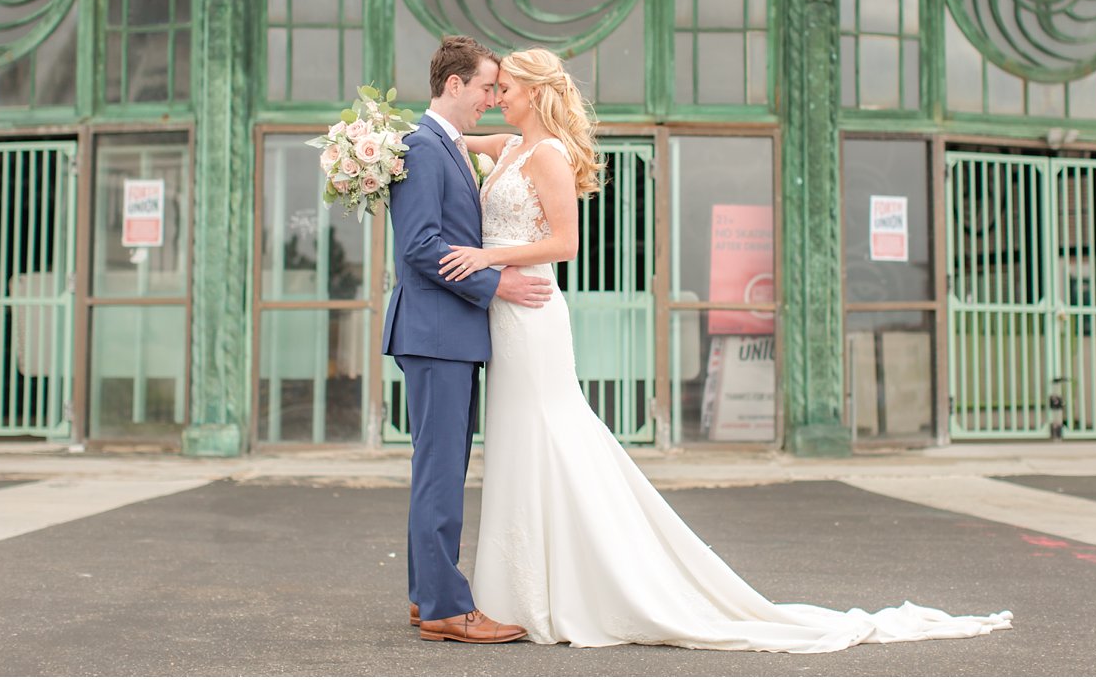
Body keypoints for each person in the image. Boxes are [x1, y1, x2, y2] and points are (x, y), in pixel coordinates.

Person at [440, 48, 1014, 653]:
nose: (497, 96)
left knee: (551, 431)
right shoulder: (508, 149)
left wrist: (488, 255)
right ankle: (523, 587)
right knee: (517, 438)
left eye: (506, 88)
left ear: (535, 91)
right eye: (494, 88)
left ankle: (583, 582)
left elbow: (565, 244)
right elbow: (449, 137)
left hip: (532, 314)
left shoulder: (551, 156)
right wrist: (382, 137)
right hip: (504, 317)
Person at [381, 36, 551, 644]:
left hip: (443, 334)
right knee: (440, 472)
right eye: (485, 87)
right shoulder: (423, 148)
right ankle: (448, 609)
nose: (491, 99)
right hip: (436, 332)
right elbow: (420, 247)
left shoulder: (445, 146)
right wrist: (496, 283)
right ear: (454, 85)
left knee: (439, 467)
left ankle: (427, 598)